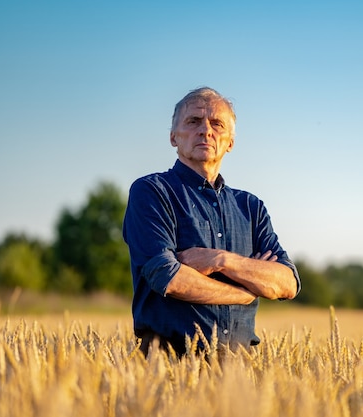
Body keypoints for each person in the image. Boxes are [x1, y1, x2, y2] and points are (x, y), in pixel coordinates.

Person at [123, 87, 300, 357]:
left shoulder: (250, 207)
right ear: (173, 136)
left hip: (239, 368)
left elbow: (287, 283)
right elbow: (168, 278)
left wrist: (221, 261)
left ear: (230, 142)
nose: (206, 131)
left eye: (217, 124)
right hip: (167, 363)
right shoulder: (152, 191)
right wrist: (245, 290)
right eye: (193, 121)